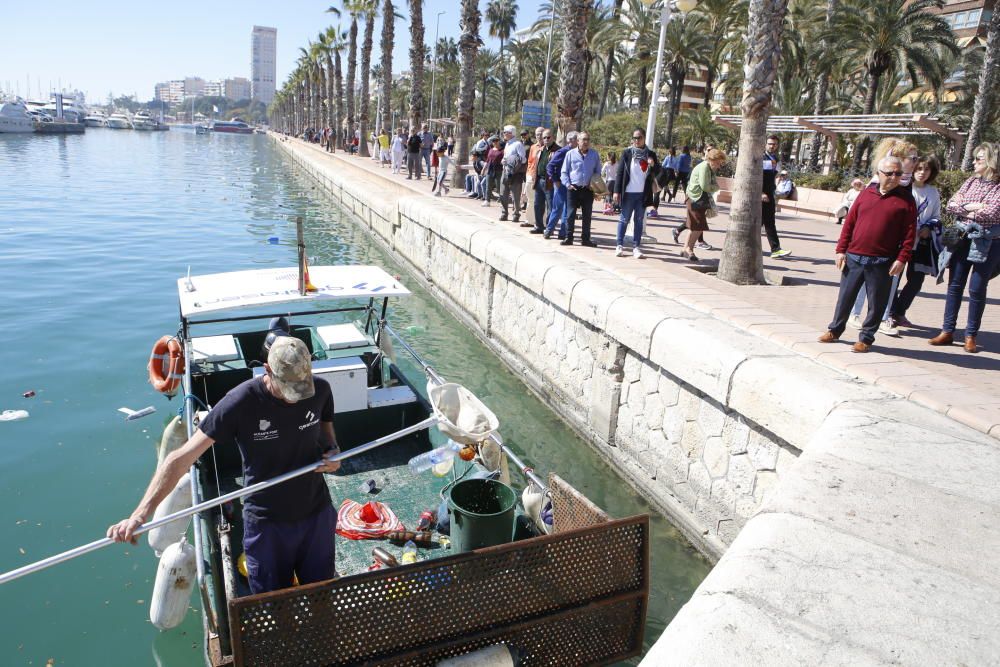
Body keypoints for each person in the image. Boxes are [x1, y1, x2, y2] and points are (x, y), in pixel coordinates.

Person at [108, 336, 341, 594]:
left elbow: (327, 436)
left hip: (316, 513)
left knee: (322, 592)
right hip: (267, 522)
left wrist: (333, 452)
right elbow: (180, 458)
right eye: (288, 389)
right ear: (267, 370)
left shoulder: (320, 389)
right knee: (273, 602)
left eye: (301, 388)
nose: (295, 398)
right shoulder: (241, 402)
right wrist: (141, 513)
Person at [818, 156, 916, 353]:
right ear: (879, 174)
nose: (894, 177)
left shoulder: (906, 200)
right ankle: (835, 330)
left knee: (876, 303)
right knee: (845, 298)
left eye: (899, 173)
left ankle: (866, 338)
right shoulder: (865, 194)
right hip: (854, 257)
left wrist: (901, 258)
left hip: (882, 261)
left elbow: (910, 233)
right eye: (889, 173)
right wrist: (840, 250)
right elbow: (849, 224)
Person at [929, 143, 1000, 353]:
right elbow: (951, 204)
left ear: (990, 162)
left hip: (988, 242)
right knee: (955, 285)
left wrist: (967, 208)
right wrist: (975, 207)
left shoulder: (998, 186)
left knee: (977, 289)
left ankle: (971, 335)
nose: (974, 162)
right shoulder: (970, 181)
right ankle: (947, 331)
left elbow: (993, 213)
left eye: (979, 158)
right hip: (962, 238)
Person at [848, 140, 919, 336]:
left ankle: (883, 317)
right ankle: (854, 313)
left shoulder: (908, 185)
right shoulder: (876, 183)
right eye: (911, 158)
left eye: (916, 158)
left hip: (894, 247)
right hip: (871, 246)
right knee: (865, 281)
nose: (915, 162)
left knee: (889, 284)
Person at [890, 156, 943, 327]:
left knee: (916, 280)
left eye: (926, 169)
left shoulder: (933, 192)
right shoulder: (904, 188)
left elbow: (936, 217)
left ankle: (899, 311)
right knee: (894, 278)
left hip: (921, 244)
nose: (922, 173)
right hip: (901, 241)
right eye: (919, 169)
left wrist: (928, 227)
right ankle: (889, 312)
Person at [614, 128, 660, 259]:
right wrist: (616, 191)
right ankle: (619, 245)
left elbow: (658, 171)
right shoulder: (627, 153)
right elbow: (620, 173)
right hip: (628, 192)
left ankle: (636, 247)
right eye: (634, 138)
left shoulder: (650, 154)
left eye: (639, 137)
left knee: (639, 221)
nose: (636, 140)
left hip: (642, 194)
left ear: (644, 138)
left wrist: (653, 164)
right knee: (624, 219)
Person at [681, 149, 726, 262]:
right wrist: (715, 188)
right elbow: (705, 186)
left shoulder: (709, 169)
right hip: (695, 199)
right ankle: (688, 249)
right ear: (712, 159)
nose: (719, 165)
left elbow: (712, 183)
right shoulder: (704, 167)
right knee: (698, 226)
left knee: (696, 226)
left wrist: (714, 186)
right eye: (718, 162)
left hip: (698, 199)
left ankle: (686, 249)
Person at [560, 131, 601, 247]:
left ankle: (585, 239)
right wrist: (568, 184)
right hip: (573, 188)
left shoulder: (594, 154)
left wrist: (594, 185)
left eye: (588, 139)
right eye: (583, 139)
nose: (586, 142)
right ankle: (569, 238)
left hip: (588, 189)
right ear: (578, 141)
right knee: (570, 214)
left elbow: (598, 171)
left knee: (587, 215)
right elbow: (564, 172)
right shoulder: (570, 154)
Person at [544, 131, 579, 239]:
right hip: (561, 184)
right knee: (557, 208)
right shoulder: (563, 152)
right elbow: (550, 166)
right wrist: (555, 180)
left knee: (567, 209)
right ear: (570, 140)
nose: (579, 142)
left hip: (571, 184)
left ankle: (563, 233)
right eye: (577, 139)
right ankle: (549, 230)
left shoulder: (577, 152)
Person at [762, 135, 792, 259]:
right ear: (765, 144)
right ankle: (775, 248)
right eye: (769, 143)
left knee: (768, 222)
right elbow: (759, 177)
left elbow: (774, 176)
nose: (772, 146)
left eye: (774, 144)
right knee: (768, 222)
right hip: (763, 194)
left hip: (770, 193)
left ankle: (775, 249)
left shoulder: (775, 158)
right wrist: (761, 193)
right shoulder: (762, 157)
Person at [530, 130, 559, 234]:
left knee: (551, 206)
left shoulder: (557, 150)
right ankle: (539, 226)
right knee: (537, 205)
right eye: (544, 138)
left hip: (550, 183)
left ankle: (549, 228)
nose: (546, 139)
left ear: (553, 137)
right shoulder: (541, 150)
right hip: (539, 181)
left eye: (548, 137)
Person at [498, 125, 527, 223]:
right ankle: (504, 213)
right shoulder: (507, 144)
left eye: (505, 132)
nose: (504, 134)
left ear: (511, 133)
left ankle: (516, 214)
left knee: (516, 194)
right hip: (505, 171)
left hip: (515, 173)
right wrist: (504, 160)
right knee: (503, 193)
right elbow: (506, 157)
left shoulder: (518, 144)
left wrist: (512, 162)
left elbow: (523, 159)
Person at [482, 136, 503, 207]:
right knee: (488, 186)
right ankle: (487, 201)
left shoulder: (502, 151)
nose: (495, 142)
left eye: (496, 141)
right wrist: (483, 169)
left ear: (499, 141)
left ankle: (501, 201)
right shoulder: (490, 150)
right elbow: (487, 160)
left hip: (499, 170)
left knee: (499, 186)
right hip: (490, 170)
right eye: (493, 141)